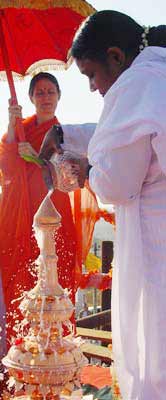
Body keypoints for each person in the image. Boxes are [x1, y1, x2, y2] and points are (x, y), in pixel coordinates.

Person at [39, 11, 166, 400]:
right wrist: (66, 135)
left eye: (91, 75)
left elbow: (118, 184)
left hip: (155, 248)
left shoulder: (139, 82)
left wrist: (87, 171)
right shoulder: (155, 75)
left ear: (116, 56)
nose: (93, 88)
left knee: (153, 359)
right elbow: (127, 138)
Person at [0, 72, 98, 348]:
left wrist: (42, 159)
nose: (45, 97)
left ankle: (58, 354)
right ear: (31, 98)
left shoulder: (64, 133)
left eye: (50, 92)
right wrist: (11, 123)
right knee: (21, 278)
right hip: (21, 216)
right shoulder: (19, 130)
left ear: (58, 97)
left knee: (57, 277)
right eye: (39, 92)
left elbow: (71, 175)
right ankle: (20, 353)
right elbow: (7, 168)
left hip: (55, 213)